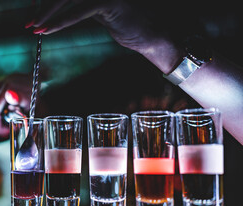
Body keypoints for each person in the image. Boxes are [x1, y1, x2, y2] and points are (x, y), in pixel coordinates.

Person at [23, 0, 243, 145]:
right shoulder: (119, 76)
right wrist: (5, 112)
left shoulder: (232, 53)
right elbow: (43, 115)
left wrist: (157, 46)